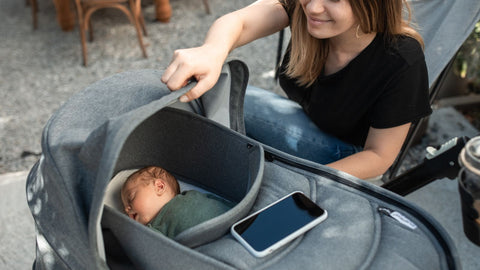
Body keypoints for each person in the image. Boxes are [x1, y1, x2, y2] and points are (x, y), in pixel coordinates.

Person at [160, 0, 432, 180]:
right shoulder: (305, 11)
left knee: (218, 96)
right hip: (308, 123)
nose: (313, 7)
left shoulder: (402, 60)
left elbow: (379, 157)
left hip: (351, 158)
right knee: (204, 86)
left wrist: (296, 181)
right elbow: (239, 21)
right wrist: (211, 51)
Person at [120, 166, 233, 238]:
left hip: (233, 223)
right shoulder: (154, 230)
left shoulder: (191, 195)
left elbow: (219, 201)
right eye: (125, 205)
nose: (126, 209)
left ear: (159, 186)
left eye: (131, 198)